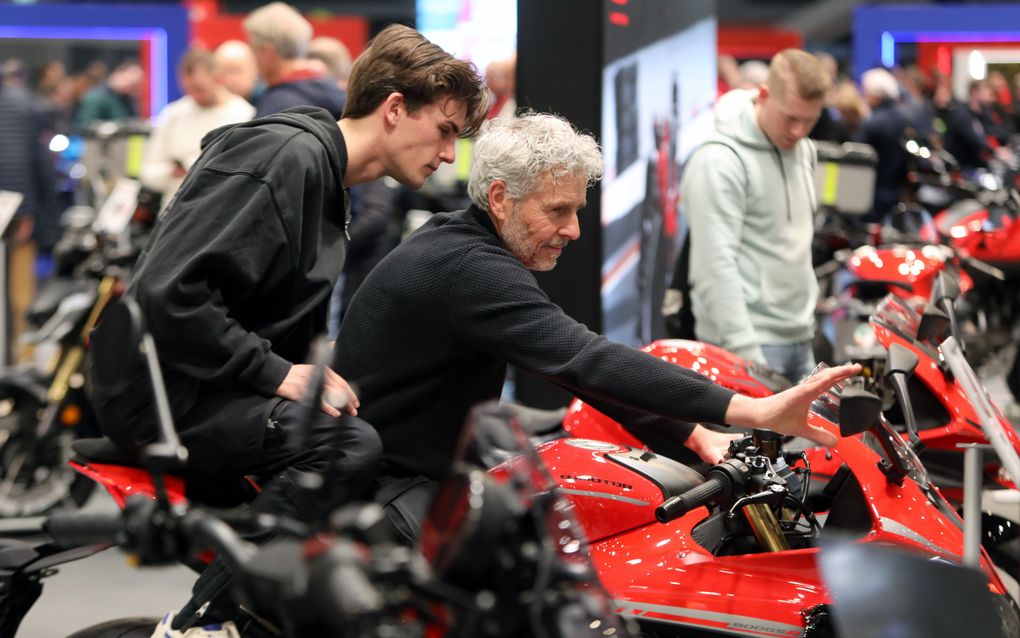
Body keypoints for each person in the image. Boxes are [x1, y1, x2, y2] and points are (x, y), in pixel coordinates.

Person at [87, 23, 488, 634]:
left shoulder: (326, 175)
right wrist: (280, 376)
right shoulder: (286, 157)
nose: (447, 155)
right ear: (395, 108)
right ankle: (201, 620)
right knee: (348, 447)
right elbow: (169, 291)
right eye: (444, 131)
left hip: (203, 383)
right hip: (162, 395)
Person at [334, 113, 860, 543]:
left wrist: (698, 435)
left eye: (577, 209)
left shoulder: (464, 245)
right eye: (557, 210)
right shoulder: (468, 268)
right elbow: (586, 359)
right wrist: (751, 409)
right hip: (385, 492)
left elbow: (581, 373)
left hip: (418, 470)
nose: (574, 229)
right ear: (500, 199)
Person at [681, 49, 830, 383]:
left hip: (800, 336)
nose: (798, 131)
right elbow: (714, 267)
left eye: (810, 120)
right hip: (745, 348)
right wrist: (747, 356)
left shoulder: (803, 150)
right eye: (790, 117)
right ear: (764, 94)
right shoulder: (719, 161)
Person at [139, 48, 254, 208]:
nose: (195, 96)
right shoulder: (173, 114)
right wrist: (172, 173)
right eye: (189, 90)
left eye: (200, 89)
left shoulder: (244, 115)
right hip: (175, 212)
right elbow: (148, 172)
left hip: (221, 210)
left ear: (218, 79)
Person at [0, 59, 56, 362]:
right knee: (22, 294)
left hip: (16, 212)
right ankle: (24, 359)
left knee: (20, 293)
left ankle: (22, 357)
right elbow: (33, 162)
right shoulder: (27, 104)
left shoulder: (22, 106)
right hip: (20, 211)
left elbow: (20, 159)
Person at [244, 2, 345, 119]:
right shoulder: (334, 90)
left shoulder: (277, 108)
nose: (251, 56)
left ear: (267, 52)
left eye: (253, 48)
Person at [857, 67, 911, 223]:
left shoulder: (872, 123)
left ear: (876, 95)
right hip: (897, 191)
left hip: (873, 193)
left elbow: (857, 156)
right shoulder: (905, 119)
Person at [72, 58, 142, 128]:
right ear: (119, 73)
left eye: (135, 86)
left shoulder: (126, 99)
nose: (132, 89)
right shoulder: (96, 97)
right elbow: (84, 125)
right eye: (131, 83)